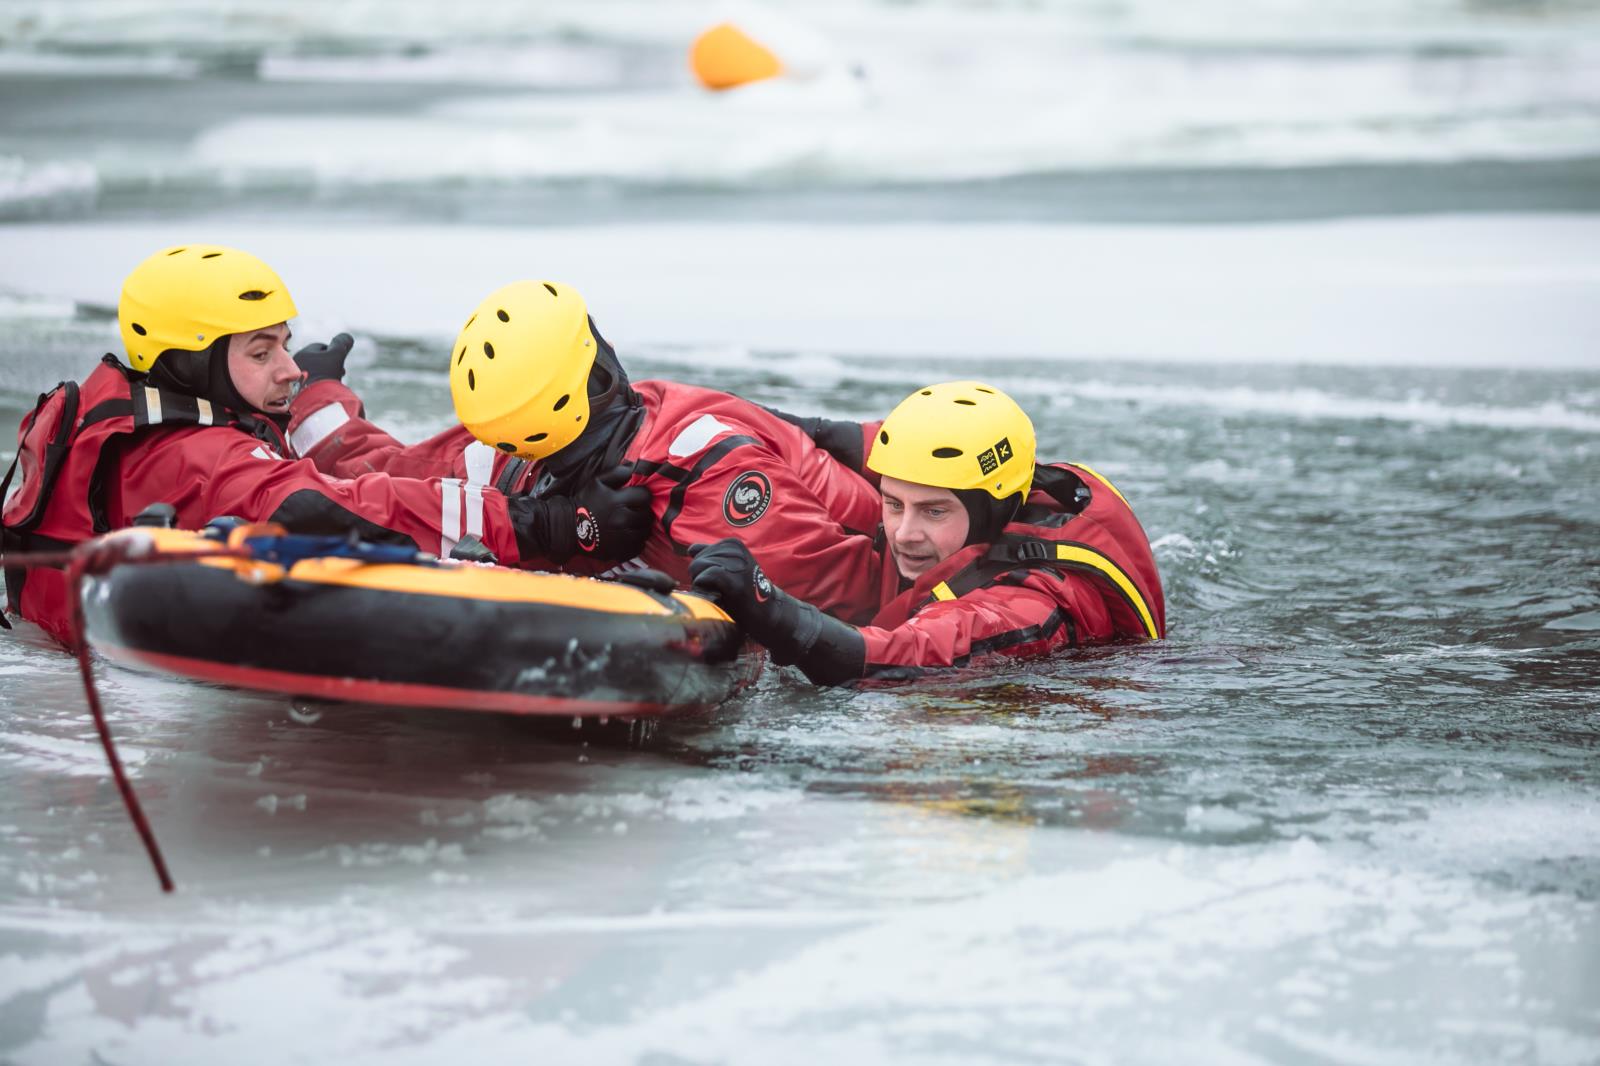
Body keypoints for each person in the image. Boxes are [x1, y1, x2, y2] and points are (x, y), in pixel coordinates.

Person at [1, 246, 651, 648]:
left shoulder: (126, 408)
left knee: (397, 466)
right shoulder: (194, 459)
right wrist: (547, 524)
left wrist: (313, 398)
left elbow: (303, 468)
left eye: (283, 344)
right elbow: (328, 506)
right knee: (396, 495)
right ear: (191, 364)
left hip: (89, 618)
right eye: (263, 352)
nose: (287, 367)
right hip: (141, 654)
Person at [285, 280, 886, 621]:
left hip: (899, 521)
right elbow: (385, 478)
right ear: (598, 367)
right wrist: (311, 397)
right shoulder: (505, 462)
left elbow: (860, 602)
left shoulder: (707, 468)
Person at [686, 381, 1166, 683]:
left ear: (991, 511)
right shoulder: (982, 479)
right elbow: (849, 438)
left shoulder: (1027, 609)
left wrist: (770, 610)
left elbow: (902, 656)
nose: (904, 534)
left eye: (934, 512)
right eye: (892, 504)